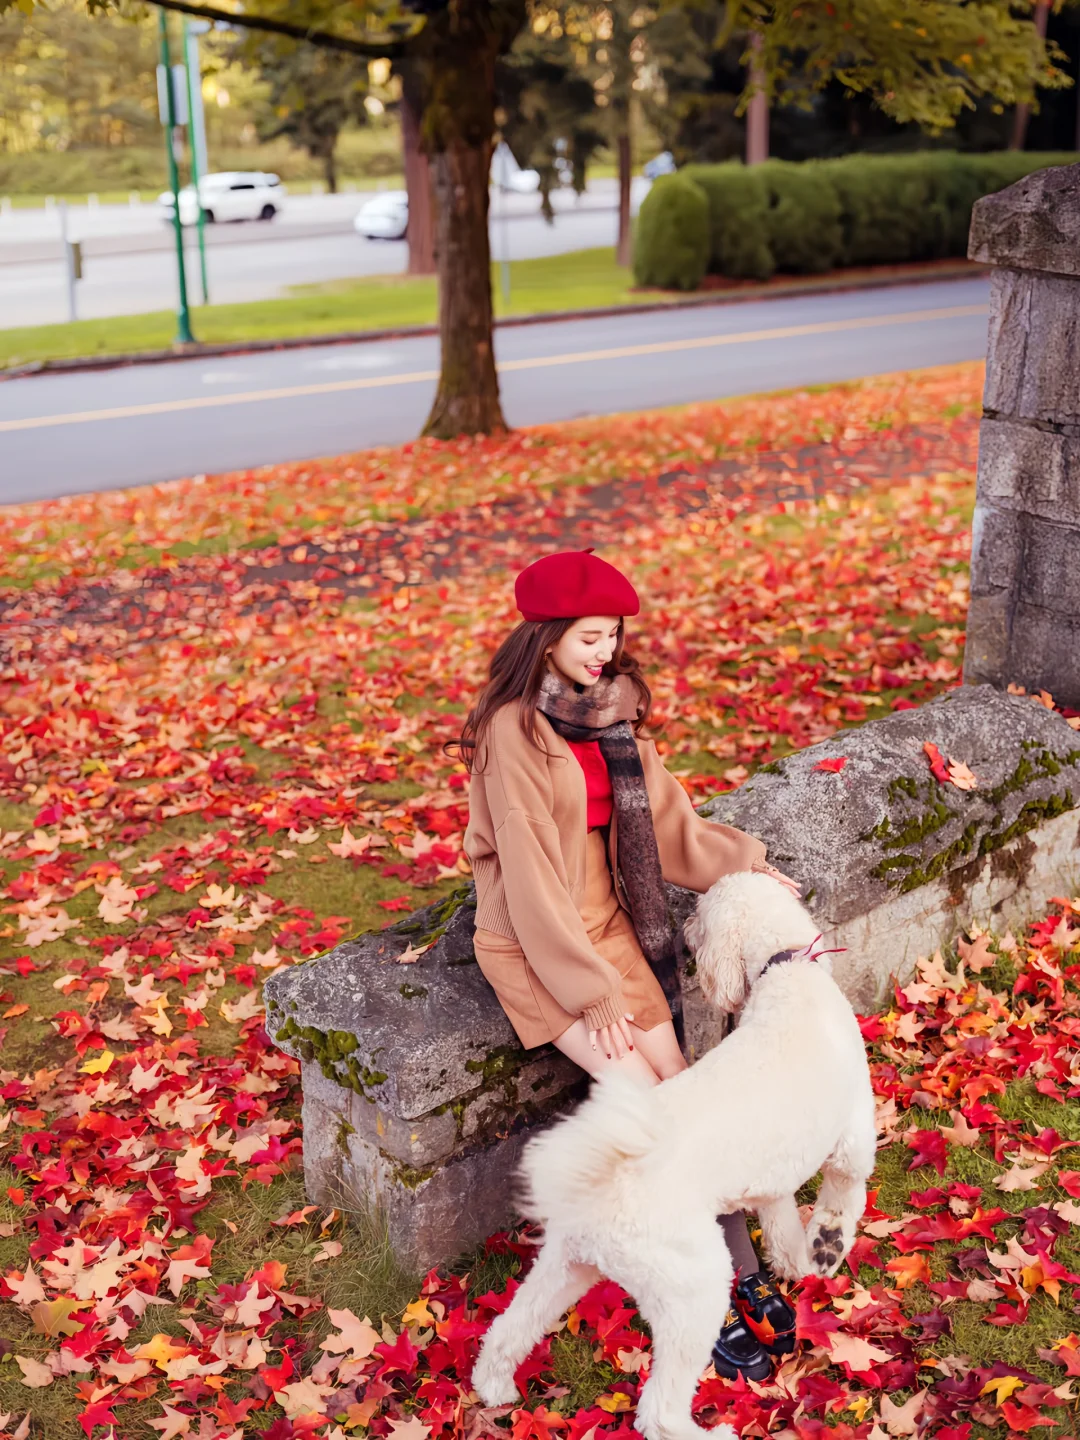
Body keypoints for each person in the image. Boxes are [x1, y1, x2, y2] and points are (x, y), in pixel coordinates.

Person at [452, 549, 800, 1381]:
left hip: (603, 925)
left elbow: (673, 825)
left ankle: (738, 1275)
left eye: (611, 636)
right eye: (587, 637)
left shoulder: (606, 718)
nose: (603, 652)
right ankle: (695, 1297)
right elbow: (531, 882)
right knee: (652, 1117)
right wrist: (589, 987)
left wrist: (747, 862)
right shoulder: (513, 732)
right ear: (545, 638)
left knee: (688, 1102)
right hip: (538, 950)